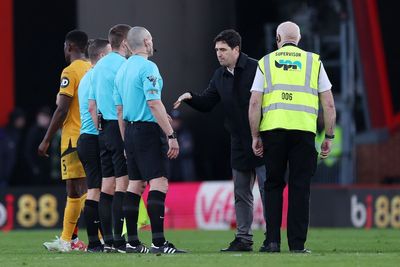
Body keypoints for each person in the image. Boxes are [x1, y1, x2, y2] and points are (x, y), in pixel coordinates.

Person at [173, 29, 266, 252]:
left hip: (263, 139)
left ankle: (272, 238)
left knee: (267, 189)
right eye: (216, 50)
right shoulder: (219, 75)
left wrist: (261, 135)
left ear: (236, 49)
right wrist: (190, 98)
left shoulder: (257, 68)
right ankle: (244, 239)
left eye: (223, 49)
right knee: (241, 192)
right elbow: (207, 103)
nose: (219, 54)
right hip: (238, 141)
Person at [248, 21, 336, 253]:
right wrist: (328, 135)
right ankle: (297, 246)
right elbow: (328, 103)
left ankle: (272, 242)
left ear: (278, 38)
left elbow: (255, 101)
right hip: (304, 134)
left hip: (273, 133)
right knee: (300, 188)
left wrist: (255, 135)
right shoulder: (313, 61)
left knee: (273, 186)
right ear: (299, 39)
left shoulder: (265, 62)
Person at [114, 26, 185, 254]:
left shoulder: (122, 71)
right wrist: (171, 135)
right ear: (146, 41)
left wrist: (126, 142)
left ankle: (132, 243)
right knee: (159, 182)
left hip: (131, 131)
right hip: (148, 131)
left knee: (135, 185)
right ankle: (158, 242)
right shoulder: (148, 67)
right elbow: (154, 104)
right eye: (151, 40)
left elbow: (119, 111)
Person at [38, 30, 91, 252]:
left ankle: (97, 237)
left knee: (79, 189)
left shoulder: (70, 71)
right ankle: (70, 239)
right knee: (79, 189)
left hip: (73, 137)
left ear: (69, 47)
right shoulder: (92, 68)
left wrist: (46, 139)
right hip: (90, 134)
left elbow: (62, 109)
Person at [88, 24, 131, 252]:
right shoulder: (124, 66)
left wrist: (100, 131)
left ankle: (109, 242)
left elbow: (92, 104)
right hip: (119, 126)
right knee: (123, 185)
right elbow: (124, 103)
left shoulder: (97, 67)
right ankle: (120, 240)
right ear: (125, 42)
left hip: (103, 129)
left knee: (107, 186)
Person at [77, 39, 112, 252]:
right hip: (94, 137)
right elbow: (93, 108)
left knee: (95, 189)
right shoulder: (96, 76)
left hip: (86, 138)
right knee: (102, 189)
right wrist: (104, 131)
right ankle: (104, 240)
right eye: (109, 54)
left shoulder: (86, 77)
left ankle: (96, 241)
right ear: (100, 56)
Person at [25, 107, 52, 185]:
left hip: (50, 170)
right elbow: (28, 151)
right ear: (38, 117)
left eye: (46, 117)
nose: (44, 119)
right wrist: (34, 167)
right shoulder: (32, 132)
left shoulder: (52, 131)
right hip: (35, 169)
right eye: (42, 117)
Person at [0, 108, 26, 188]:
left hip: (13, 175)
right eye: (21, 119)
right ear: (15, 120)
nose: (23, 122)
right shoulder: (4, 133)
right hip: (3, 175)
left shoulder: (21, 134)